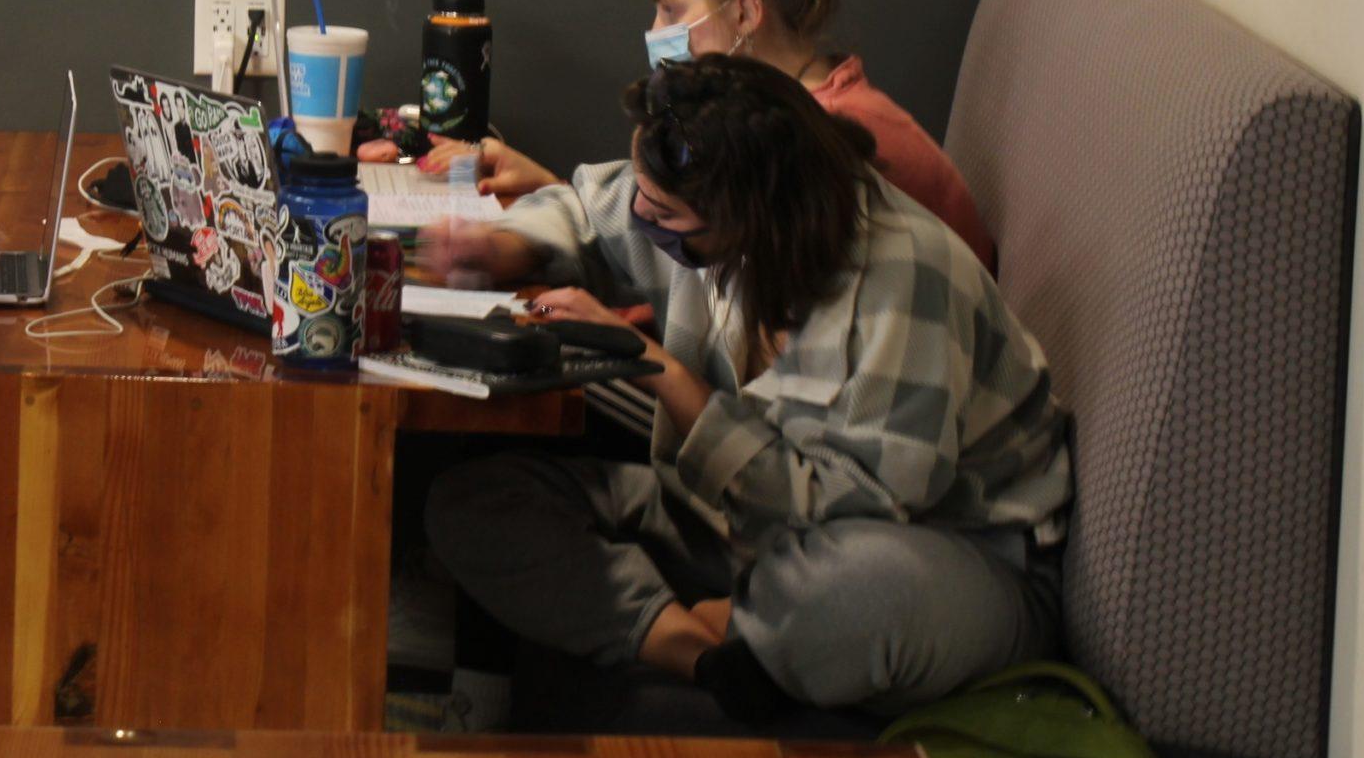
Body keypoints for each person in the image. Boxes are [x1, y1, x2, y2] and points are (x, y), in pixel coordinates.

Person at [425, 56, 1069, 720]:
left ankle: (718, 631)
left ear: (747, 221)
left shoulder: (904, 280)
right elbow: (589, 207)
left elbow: (855, 512)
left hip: (945, 551)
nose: (641, 215)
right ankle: (692, 648)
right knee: (472, 503)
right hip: (742, 517)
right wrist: (503, 246)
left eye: (663, 211)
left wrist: (665, 375)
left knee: (847, 592)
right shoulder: (709, 187)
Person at [424, 0, 995, 283]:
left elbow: (712, 277)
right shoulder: (767, 117)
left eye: (671, 12)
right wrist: (529, 218)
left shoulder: (834, 142)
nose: (655, 34)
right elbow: (649, 233)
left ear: (746, 14)